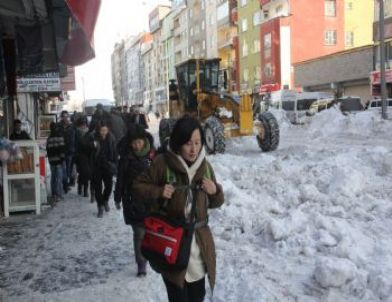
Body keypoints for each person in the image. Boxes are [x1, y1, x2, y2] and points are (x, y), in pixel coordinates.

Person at [133, 116, 224, 302]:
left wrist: (215, 191)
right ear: (178, 142)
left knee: (197, 296)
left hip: (197, 247)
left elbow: (216, 202)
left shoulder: (205, 167)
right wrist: (158, 191)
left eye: (198, 143)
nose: (194, 149)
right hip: (172, 245)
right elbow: (137, 187)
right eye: (188, 143)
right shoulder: (163, 164)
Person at [114, 124, 156, 277]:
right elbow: (120, 179)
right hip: (132, 200)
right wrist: (117, 196)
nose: (137, 145)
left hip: (151, 199)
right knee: (139, 233)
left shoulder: (152, 155)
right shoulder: (126, 158)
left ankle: (150, 254)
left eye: (139, 142)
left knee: (150, 231)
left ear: (144, 141)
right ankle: (141, 263)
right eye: (134, 143)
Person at [92, 122, 117, 218]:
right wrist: (92, 146)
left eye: (105, 130)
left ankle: (105, 200)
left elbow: (114, 152)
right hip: (97, 167)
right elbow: (88, 149)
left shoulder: (111, 139)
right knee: (98, 188)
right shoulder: (94, 138)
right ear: (99, 130)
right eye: (102, 130)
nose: (104, 132)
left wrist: (115, 164)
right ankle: (100, 207)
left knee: (109, 187)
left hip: (108, 166)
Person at [75, 116, 94, 198]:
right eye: (82, 124)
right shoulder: (76, 133)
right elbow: (74, 144)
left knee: (86, 173)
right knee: (82, 173)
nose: (83, 126)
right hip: (80, 155)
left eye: (85, 124)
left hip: (88, 155)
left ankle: (85, 190)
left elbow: (92, 144)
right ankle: (80, 187)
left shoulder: (89, 134)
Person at [46, 122, 65, 203]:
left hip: (51, 161)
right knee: (59, 178)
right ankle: (59, 195)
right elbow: (61, 149)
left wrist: (50, 159)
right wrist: (62, 160)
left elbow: (48, 149)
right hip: (58, 161)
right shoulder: (60, 137)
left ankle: (54, 194)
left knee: (53, 178)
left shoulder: (49, 138)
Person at [57, 110, 76, 191]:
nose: (65, 118)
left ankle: (66, 184)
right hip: (61, 151)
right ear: (61, 117)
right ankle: (64, 185)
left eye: (66, 116)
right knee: (63, 169)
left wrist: (74, 149)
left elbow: (75, 139)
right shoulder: (58, 126)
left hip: (70, 151)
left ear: (68, 117)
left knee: (68, 169)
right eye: (63, 116)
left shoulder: (72, 127)